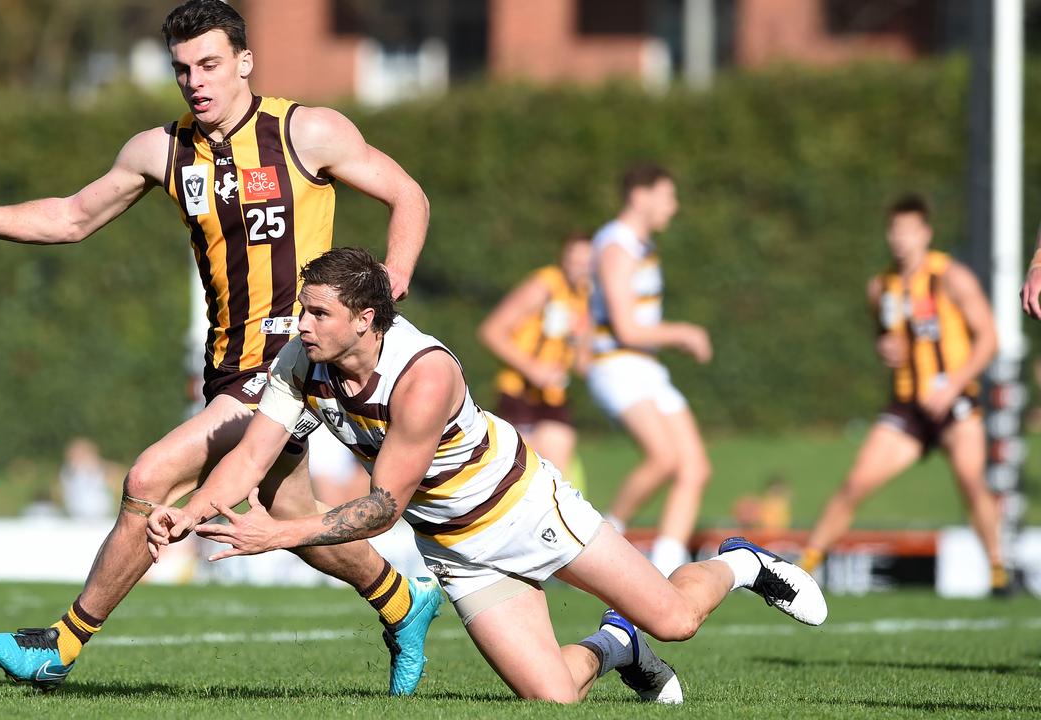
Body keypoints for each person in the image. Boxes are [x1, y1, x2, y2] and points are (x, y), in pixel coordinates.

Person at [0, 1, 437, 694]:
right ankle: (403, 600)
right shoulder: (161, 150)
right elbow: (71, 217)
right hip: (227, 367)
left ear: (244, 61)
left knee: (149, 480)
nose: (196, 81)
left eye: (210, 65)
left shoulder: (308, 131)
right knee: (293, 514)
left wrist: (391, 282)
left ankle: (57, 647)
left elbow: (409, 196)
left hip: (292, 363)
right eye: (183, 70)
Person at [147, 248, 826, 704]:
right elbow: (249, 457)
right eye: (304, 308)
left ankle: (740, 563)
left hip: (526, 509)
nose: (303, 322)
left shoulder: (422, 376)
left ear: (366, 319)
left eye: (318, 311)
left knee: (677, 620)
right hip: (458, 551)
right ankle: (616, 644)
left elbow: (384, 506)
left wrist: (283, 533)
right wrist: (187, 511)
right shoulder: (303, 359)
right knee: (554, 697)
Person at [800, 195, 1006, 591]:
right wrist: (884, 348)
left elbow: (988, 338)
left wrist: (954, 386)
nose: (900, 239)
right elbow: (886, 338)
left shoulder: (950, 276)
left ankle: (998, 568)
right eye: (895, 231)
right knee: (857, 481)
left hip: (956, 401)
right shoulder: (881, 287)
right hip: (908, 407)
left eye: (909, 231)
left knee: (970, 479)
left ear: (925, 233)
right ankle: (805, 565)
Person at [588, 164, 711, 575]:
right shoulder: (617, 246)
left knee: (694, 467)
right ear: (640, 196)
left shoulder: (641, 245)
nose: (673, 207)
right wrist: (683, 333)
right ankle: (598, 542)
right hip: (618, 365)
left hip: (645, 367)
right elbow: (624, 327)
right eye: (668, 196)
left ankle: (668, 568)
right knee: (663, 458)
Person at [477, 235, 591, 474]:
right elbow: (491, 331)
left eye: (585, 261)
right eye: (573, 259)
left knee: (558, 461)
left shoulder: (586, 296)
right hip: (519, 391)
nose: (578, 267)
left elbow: (583, 363)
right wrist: (532, 368)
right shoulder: (544, 286)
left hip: (553, 395)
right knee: (520, 472)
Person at [57, 437, 123, 520]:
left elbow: (115, 473)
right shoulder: (68, 470)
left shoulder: (100, 467)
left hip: (101, 515)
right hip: (77, 515)